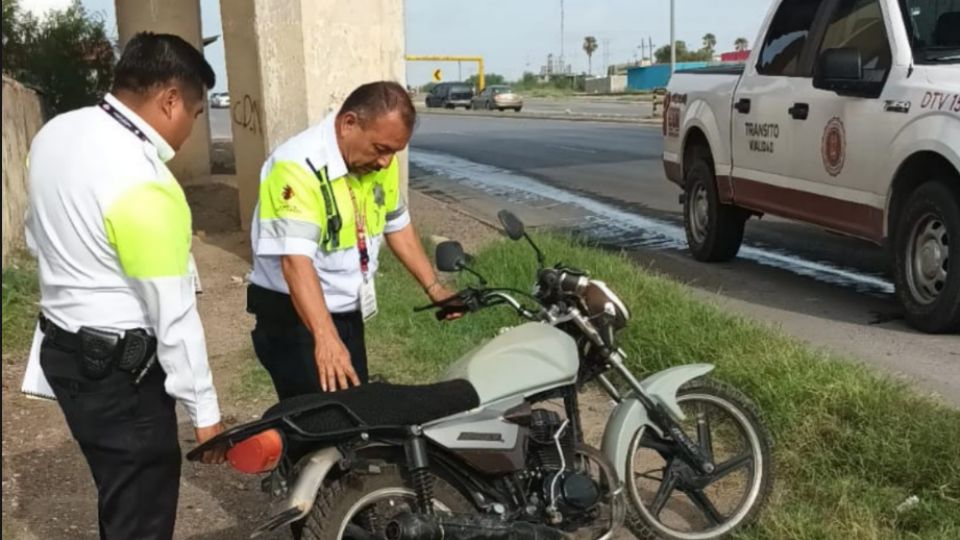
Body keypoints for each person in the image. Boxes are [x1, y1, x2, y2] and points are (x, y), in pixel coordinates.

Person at [25, 32, 226, 540]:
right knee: (140, 509)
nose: (192, 130)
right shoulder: (144, 181)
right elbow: (173, 314)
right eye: (196, 115)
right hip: (120, 379)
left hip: (62, 353)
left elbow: (36, 236)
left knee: (119, 491)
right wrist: (206, 416)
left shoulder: (56, 133)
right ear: (170, 100)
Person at [247, 81, 457, 398]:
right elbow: (295, 263)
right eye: (381, 149)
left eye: (394, 152)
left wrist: (435, 287)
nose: (386, 162)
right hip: (294, 316)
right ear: (348, 124)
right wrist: (325, 336)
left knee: (354, 415)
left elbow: (397, 225)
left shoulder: (379, 161)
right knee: (318, 427)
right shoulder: (295, 166)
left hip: (346, 312)